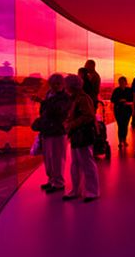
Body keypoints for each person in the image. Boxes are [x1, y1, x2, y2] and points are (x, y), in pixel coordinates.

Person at [63, 74, 99, 202]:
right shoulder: (77, 98)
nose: (65, 87)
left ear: (71, 86)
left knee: (85, 163)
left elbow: (88, 116)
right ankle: (79, 190)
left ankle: (91, 191)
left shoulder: (82, 99)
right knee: (77, 163)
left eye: (66, 85)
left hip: (82, 134)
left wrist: (71, 124)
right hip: (78, 134)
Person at [34, 73, 71, 193]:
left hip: (58, 131)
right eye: (54, 84)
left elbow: (59, 111)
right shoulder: (50, 94)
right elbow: (47, 110)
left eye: (58, 83)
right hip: (48, 130)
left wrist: (43, 102)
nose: (56, 86)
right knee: (48, 158)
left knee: (58, 157)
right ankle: (52, 180)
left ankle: (59, 183)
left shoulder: (64, 97)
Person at [111, 76, 134, 148]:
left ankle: (124, 139)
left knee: (125, 125)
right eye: (120, 82)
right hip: (118, 110)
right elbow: (112, 100)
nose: (122, 83)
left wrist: (126, 102)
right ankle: (121, 140)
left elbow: (132, 100)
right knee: (120, 125)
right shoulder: (116, 90)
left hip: (127, 110)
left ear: (125, 82)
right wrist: (119, 101)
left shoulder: (129, 90)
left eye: (123, 82)